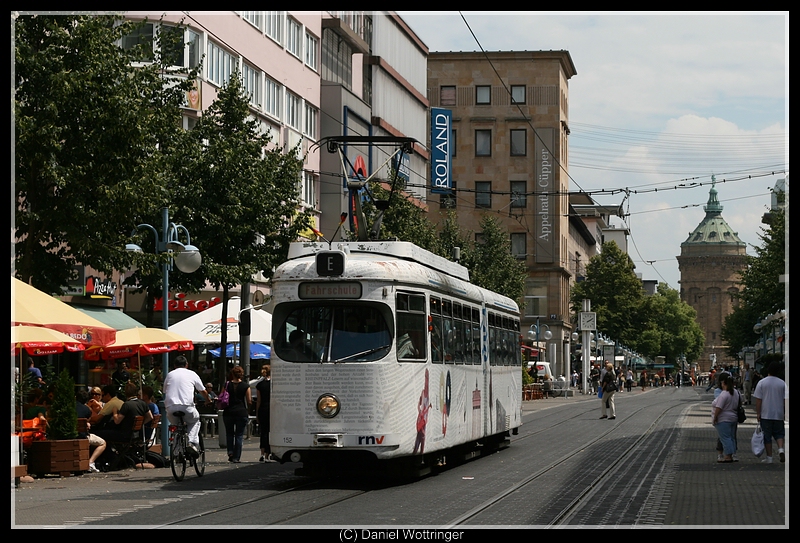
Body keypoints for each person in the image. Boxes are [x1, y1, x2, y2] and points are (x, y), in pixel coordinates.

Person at [163, 355, 210, 458]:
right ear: (187, 365)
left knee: (176, 427)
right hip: (187, 406)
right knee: (194, 421)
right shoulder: (192, 374)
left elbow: (165, 390)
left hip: (170, 407)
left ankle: (176, 452)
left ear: (174, 365)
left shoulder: (170, 374)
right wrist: (208, 400)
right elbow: (202, 391)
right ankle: (191, 442)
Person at [753, 361, 786, 464]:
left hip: (766, 413)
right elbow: (786, 400)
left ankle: (769, 458)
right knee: (779, 434)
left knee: (767, 437)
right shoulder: (782, 383)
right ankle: (781, 449)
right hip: (779, 414)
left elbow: (759, 400)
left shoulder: (762, 382)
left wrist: (758, 413)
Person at [222, 365, 252, 463]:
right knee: (239, 435)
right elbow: (249, 400)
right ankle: (236, 457)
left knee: (229, 434)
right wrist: (248, 410)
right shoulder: (245, 386)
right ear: (241, 375)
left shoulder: (226, 385)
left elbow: (221, 396)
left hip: (228, 412)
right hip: (241, 412)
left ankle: (230, 452)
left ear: (232, 374)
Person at [711, 374, 740, 463]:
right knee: (731, 437)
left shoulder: (724, 394)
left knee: (725, 438)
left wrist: (715, 417)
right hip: (733, 418)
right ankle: (731, 455)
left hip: (723, 419)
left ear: (723, 382)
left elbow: (719, 407)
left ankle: (728, 456)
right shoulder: (736, 392)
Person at [76, 390, 107, 473]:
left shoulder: (69, 407)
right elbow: (92, 419)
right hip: (82, 436)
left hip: (70, 435)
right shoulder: (86, 410)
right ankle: (90, 462)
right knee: (102, 443)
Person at [256, 364, 275, 462]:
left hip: (262, 409)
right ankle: (268, 453)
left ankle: (262, 453)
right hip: (272, 409)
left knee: (263, 432)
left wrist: (257, 412)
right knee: (270, 432)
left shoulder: (260, 385)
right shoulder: (274, 384)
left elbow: (258, 400)